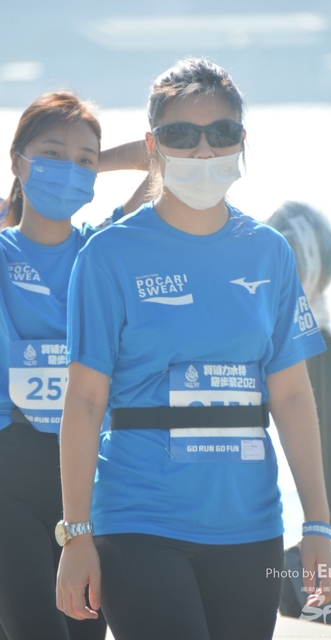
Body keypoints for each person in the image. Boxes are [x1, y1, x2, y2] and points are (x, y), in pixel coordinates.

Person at [56, 58, 331, 640]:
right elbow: (83, 402)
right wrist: (76, 535)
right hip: (139, 519)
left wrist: (319, 524)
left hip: (251, 524)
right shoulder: (106, 256)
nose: (204, 150)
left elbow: (291, 396)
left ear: (242, 140)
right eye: (182, 134)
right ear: (153, 146)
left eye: (221, 133)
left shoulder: (270, 253)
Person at [0, 92, 149, 640]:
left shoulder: (102, 249)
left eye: (82, 160)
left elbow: (162, 161)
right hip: (9, 472)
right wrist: (60, 163)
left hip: (91, 481)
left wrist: (87, 164)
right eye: (50, 154)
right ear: (17, 160)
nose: (67, 169)